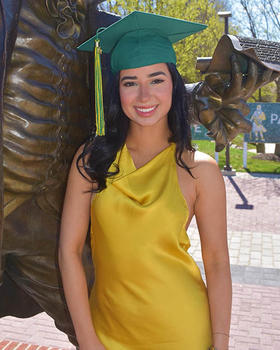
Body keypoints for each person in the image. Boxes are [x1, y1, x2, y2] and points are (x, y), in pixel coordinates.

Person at [58, 11, 232, 350]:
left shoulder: (200, 170)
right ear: (116, 90)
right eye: (130, 82)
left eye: (156, 79)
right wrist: (88, 341)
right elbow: (68, 252)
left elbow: (217, 261)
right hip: (107, 336)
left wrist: (220, 343)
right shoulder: (91, 160)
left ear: (174, 85)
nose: (144, 96)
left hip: (184, 334)